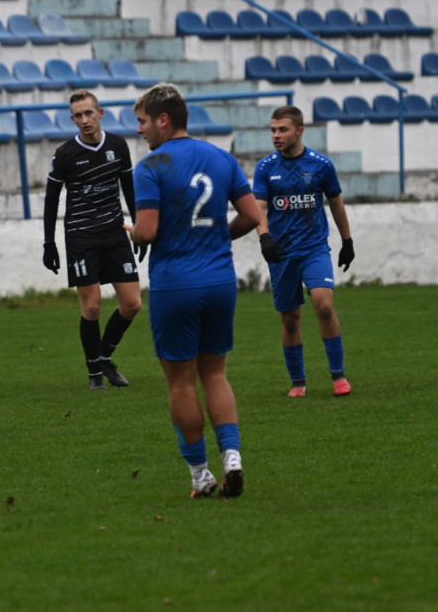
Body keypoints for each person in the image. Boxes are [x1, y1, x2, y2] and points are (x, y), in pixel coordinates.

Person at [128, 83, 262, 499]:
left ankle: (200, 475)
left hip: (175, 284)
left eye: (144, 122)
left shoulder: (152, 165)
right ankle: (233, 457)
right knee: (215, 372)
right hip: (220, 280)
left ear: (163, 120)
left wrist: (126, 229)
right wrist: (220, 235)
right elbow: (252, 215)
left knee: (182, 383)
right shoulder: (221, 157)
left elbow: (147, 232)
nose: (141, 131)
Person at [42, 90, 144, 391]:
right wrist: (49, 243)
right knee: (92, 308)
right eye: (78, 115)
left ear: (100, 113)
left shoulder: (117, 145)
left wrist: (139, 228)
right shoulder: (64, 154)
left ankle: (103, 357)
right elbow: (51, 201)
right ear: (72, 118)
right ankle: (94, 376)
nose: (84, 120)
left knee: (132, 304)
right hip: (81, 237)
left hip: (114, 234)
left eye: (89, 113)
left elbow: (129, 188)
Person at [253, 106, 354, 398]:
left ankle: (338, 376)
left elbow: (335, 202)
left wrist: (347, 242)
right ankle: (298, 382)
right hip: (281, 252)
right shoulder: (265, 167)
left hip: (314, 248)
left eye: (282, 129)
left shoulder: (321, 165)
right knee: (290, 318)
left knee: (323, 305)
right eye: (272, 129)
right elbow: (259, 207)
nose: (276, 135)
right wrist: (264, 238)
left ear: (299, 131)